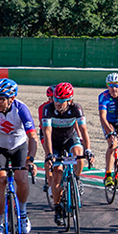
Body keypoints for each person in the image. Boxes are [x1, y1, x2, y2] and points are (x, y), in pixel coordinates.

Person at [0, 78, 38, 234]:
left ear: (11, 99)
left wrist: (31, 159)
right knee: (0, 180)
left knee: (21, 178)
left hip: (19, 146)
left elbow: (32, 136)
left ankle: (23, 214)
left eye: (1, 99)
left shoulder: (21, 109)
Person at [41, 82, 91, 226]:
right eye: (56, 99)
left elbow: (84, 131)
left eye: (62, 100)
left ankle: (77, 178)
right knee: (57, 173)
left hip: (69, 138)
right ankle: (58, 208)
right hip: (54, 141)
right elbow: (47, 134)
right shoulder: (48, 109)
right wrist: (49, 154)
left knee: (79, 154)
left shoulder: (76, 108)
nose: (57, 103)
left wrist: (88, 150)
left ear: (70, 100)